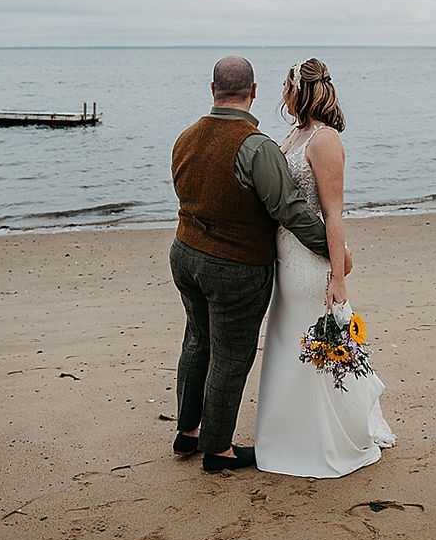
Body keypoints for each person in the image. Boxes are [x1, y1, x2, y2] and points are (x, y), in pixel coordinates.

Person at [169, 55, 352, 473]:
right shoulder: (256, 146)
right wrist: (334, 253)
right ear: (252, 92)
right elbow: (289, 208)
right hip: (232, 265)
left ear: (211, 89)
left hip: (184, 254)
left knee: (197, 339)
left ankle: (188, 431)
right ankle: (217, 449)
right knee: (231, 356)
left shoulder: (185, 137)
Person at [253, 58, 395, 477]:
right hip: (284, 255)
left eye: (285, 84)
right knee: (284, 343)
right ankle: (283, 437)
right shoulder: (294, 134)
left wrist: (337, 277)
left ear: (299, 89)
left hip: (311, 263)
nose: (282, 91)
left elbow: (333, 214)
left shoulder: (325, 140)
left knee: (313, 347)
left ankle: (322, 442)